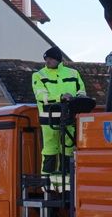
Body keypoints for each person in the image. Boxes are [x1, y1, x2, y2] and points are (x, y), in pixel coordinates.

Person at [31, 46, 87, 187]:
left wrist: (76, 100)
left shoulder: (73, 73)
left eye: (50, 58)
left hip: (68, 118)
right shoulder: (39, 75)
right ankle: (47, 186)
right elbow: (41, 95)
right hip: (48, 119)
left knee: (68, 150)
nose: (47, 61)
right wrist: (61, 97)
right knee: (50, 150)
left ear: (57, 59)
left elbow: (82, 92)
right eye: (46, 59)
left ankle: (66, 185)